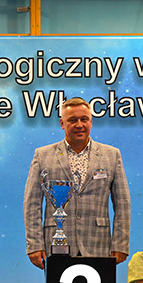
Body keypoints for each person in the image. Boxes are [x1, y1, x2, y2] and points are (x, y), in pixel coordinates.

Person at [23, 97, 130, 270]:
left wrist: (120, 244)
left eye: (84, 119)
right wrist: (34, 244)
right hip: (56, 244)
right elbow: (32, 203)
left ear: (91, 122)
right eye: (72, 120)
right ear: (62, 123)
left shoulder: (112, 155)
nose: (79, 125)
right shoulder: (42, 155)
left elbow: (123, 203)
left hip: (99, 245)